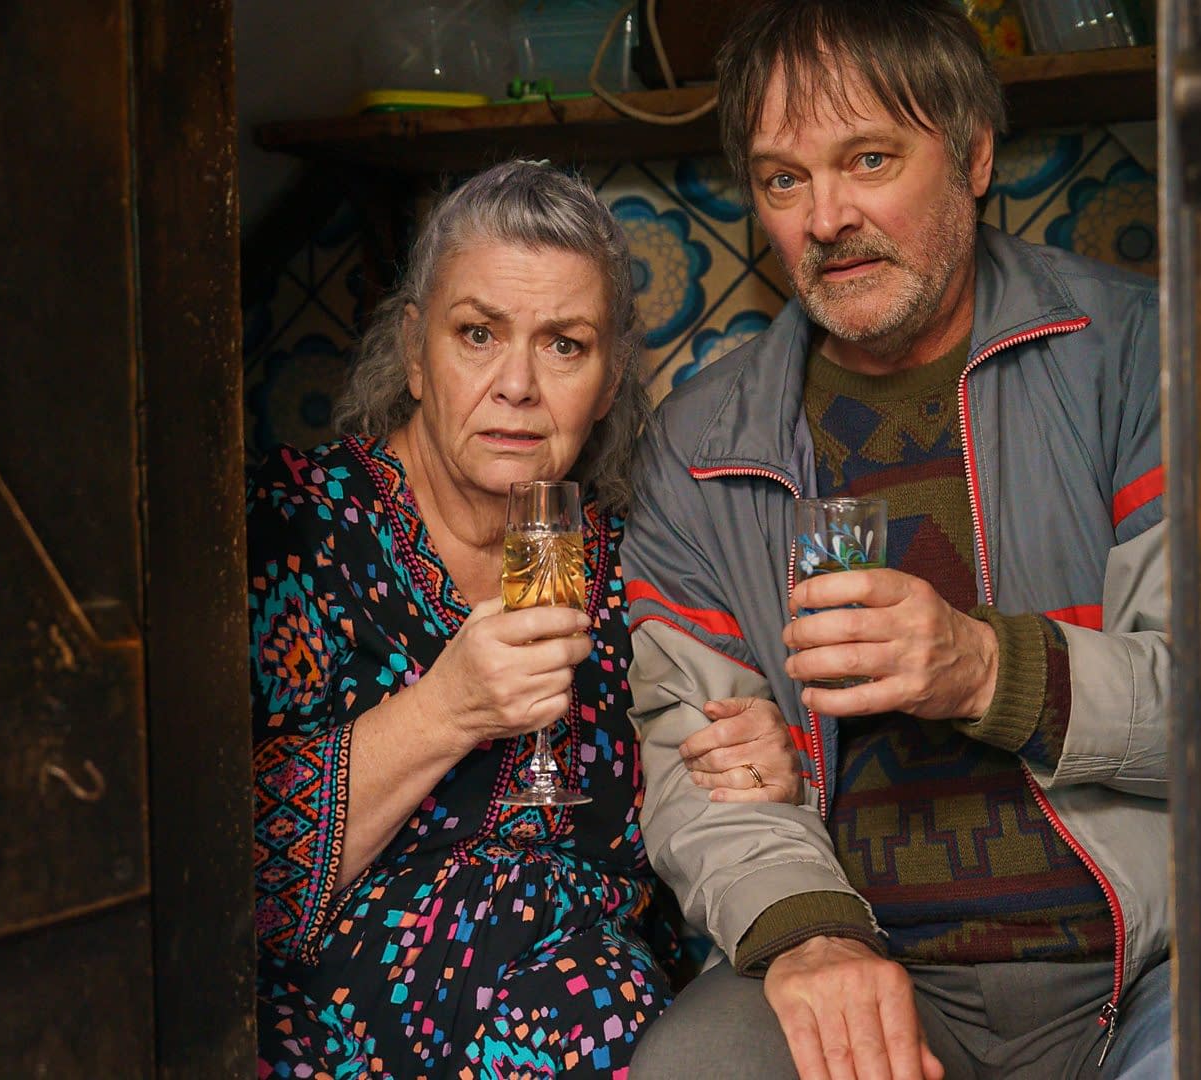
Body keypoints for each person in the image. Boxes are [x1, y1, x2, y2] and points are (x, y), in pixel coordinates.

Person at [620, 2, 1173, 1077]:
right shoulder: (700, 443)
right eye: (784, 180)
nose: (826, 218)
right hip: (868, 960)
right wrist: (811, 934)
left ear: (974, 156)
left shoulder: (1134, 355)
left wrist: (982, 668)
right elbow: (693, 768)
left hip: (1151, 963)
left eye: (868, 159)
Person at [248, 161, 802, 1078]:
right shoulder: (293, 524)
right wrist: (446, 710)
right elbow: (226, 885)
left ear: (610, 378)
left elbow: (705, 819)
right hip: (340, 1032)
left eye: (564, 345)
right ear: (415, 352)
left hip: (590, 1023)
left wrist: (767, 769)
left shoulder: (642, 561)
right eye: (478, 334)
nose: (517, 384)